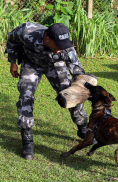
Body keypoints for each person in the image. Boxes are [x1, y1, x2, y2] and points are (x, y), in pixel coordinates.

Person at [5, 22, 88, 160]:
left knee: (72, 93)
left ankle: (82, 125)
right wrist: (13, 61)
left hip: (55, 65)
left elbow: (77, 70)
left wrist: (80, 84)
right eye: (58, 46)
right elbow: (12, 39)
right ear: (47, 39)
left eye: (64, 46)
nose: (61, 49)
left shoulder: (65, 47)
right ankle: (27, 141)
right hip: (31, 63)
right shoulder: (26, 31)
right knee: (25, 96)